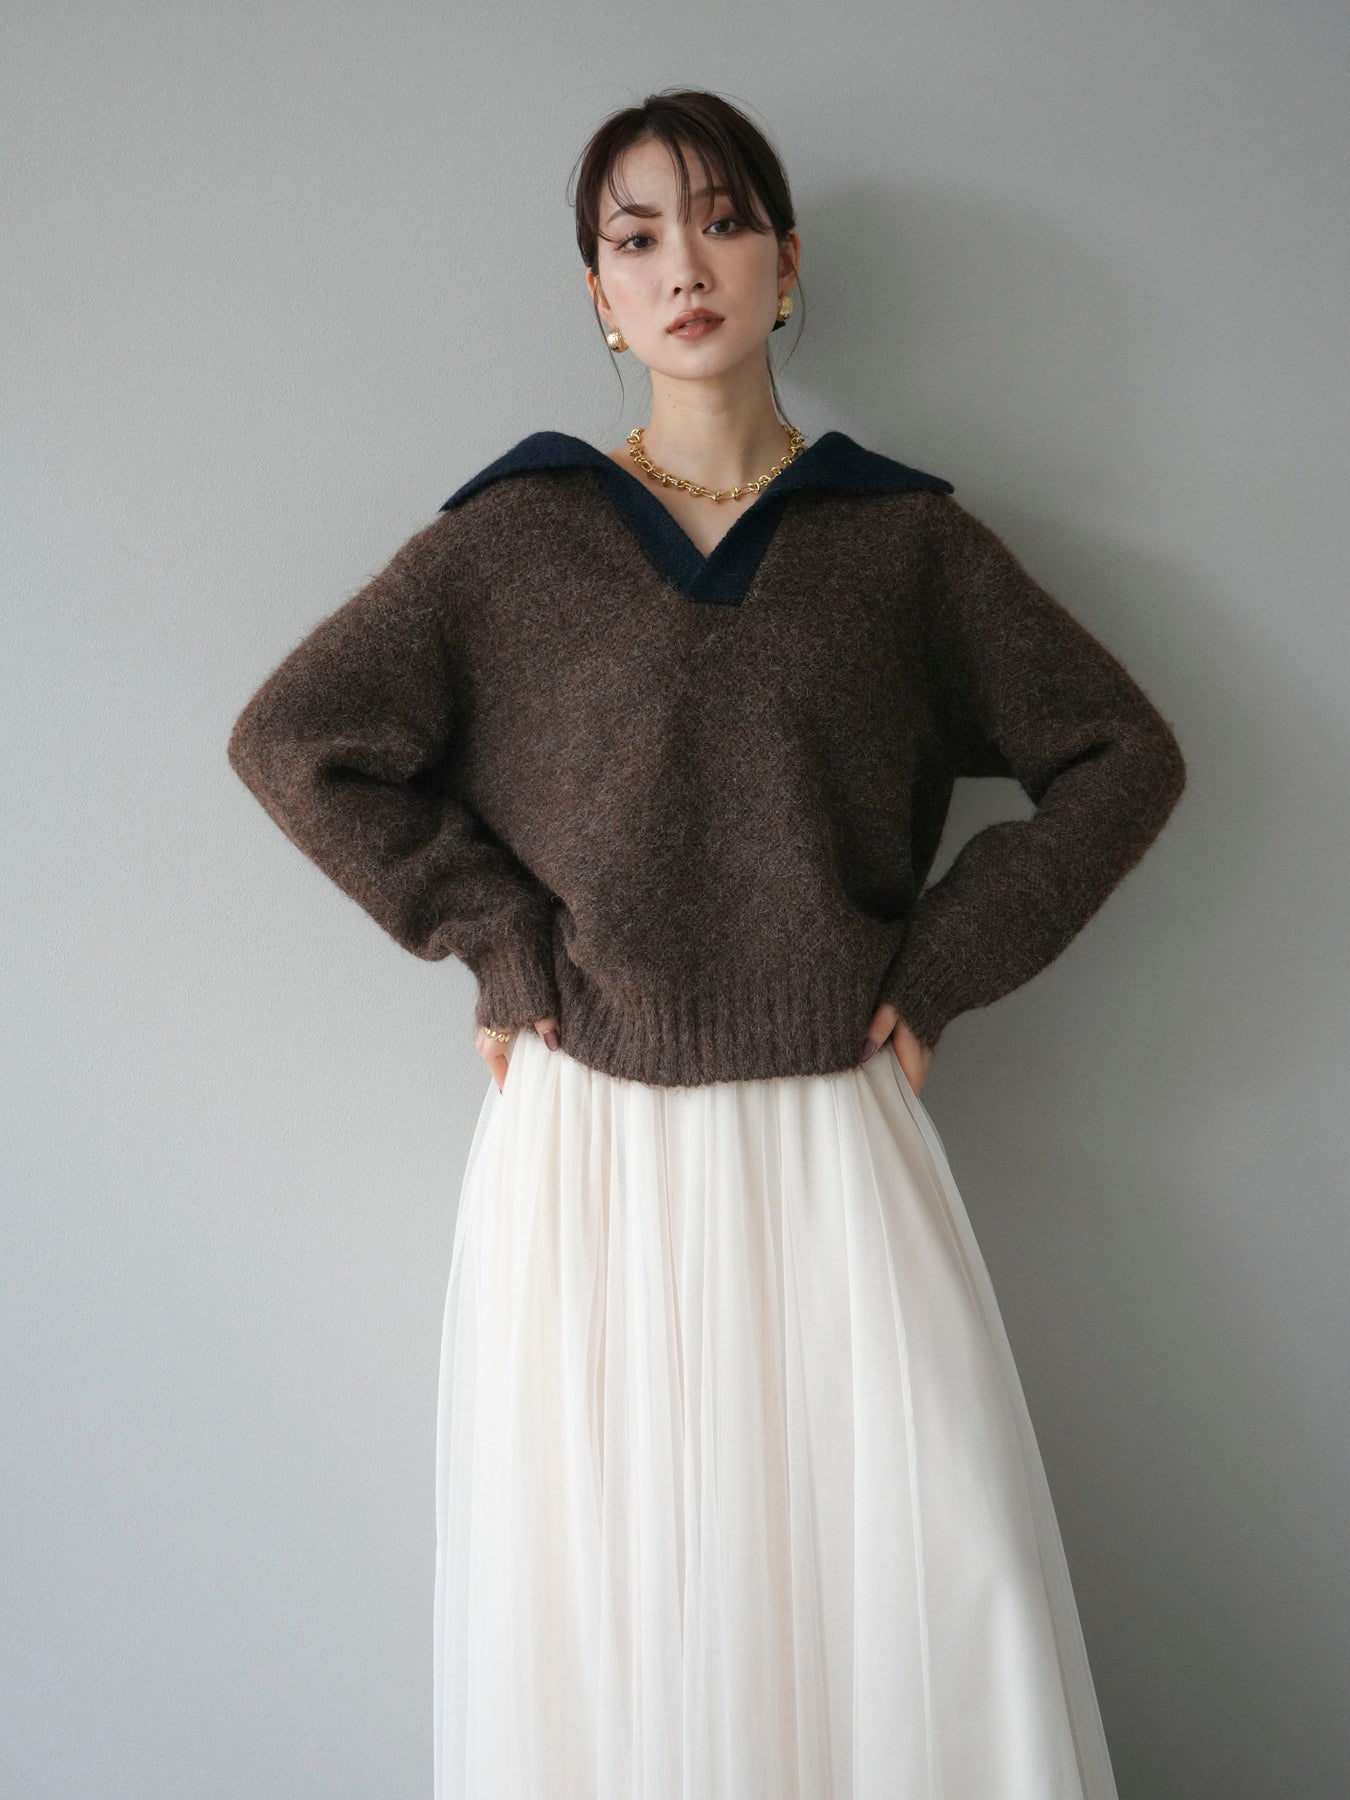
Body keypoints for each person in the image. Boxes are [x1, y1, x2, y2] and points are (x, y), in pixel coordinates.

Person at [227, 86, 1186, 1800]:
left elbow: (1121, 756)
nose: (684, 265)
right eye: (637, 235)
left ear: (785, 264)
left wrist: (941, 968)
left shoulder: (900, 542)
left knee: (896, 1583)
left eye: (722, 221)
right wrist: (495, 943)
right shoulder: (514, 539)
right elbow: (296, 740)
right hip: (585, 1139)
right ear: (597, 293)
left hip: (831, 1131)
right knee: (613, 1598)